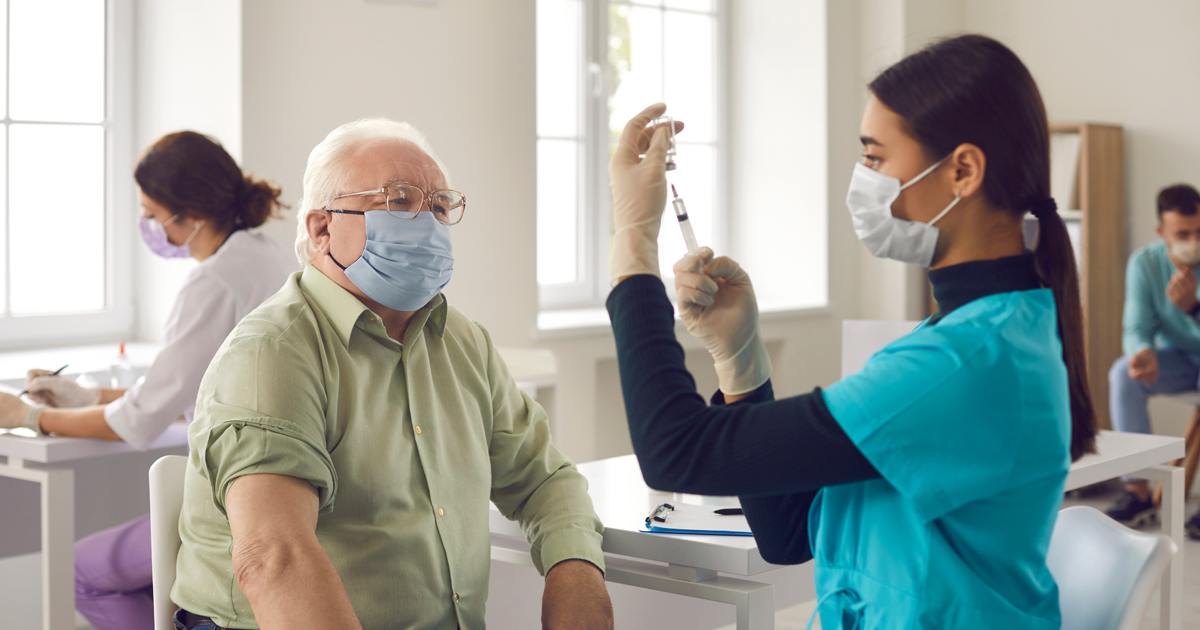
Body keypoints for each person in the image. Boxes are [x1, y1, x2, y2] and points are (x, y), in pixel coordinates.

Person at [605, 34, 1097, 629]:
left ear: (962, 170)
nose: (862, 178)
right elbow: (788, 532)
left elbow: (673, 450)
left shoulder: (964, 363)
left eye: (875, 157)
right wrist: (740, 358)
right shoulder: (976, 332)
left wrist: (633, 244)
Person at [168, 118, 611, 630]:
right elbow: (275, 560)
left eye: (440, 205)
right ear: (321, 229)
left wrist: (575, 578)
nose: (426, 221)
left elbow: (547, 482)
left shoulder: (463, 342)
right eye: (398, 201)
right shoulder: (272, 353)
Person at [0, 131, 296, 630]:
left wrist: (28, 415)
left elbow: (140, 419)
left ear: (188, 214)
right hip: (282, 490)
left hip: (235, 507)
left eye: (151, 213)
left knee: (80, 573)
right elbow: (201, 388)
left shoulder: (214, 282)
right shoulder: (267, 257)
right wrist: (87, 397)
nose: (148, 226)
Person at [1105, 184, 1200, 538]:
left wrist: (1193, 307)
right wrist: (1141, 352)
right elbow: (1136, 326)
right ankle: (1137, 493)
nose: (1193, 240)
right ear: (1162, 233)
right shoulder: (1145, 263)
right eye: (1183, 234)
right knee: (1123, 374)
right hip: (1177, 357)